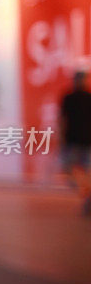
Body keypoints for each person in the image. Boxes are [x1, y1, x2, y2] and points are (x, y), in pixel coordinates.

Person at [59, 71, 91, 216]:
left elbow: (61, 121)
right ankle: (87, 195)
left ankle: (87, 196)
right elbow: (62, 120)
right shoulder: (68, 97)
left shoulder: (71, 97)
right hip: (74, 140)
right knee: (72, 171)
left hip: (79, 141)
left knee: (75, 171)